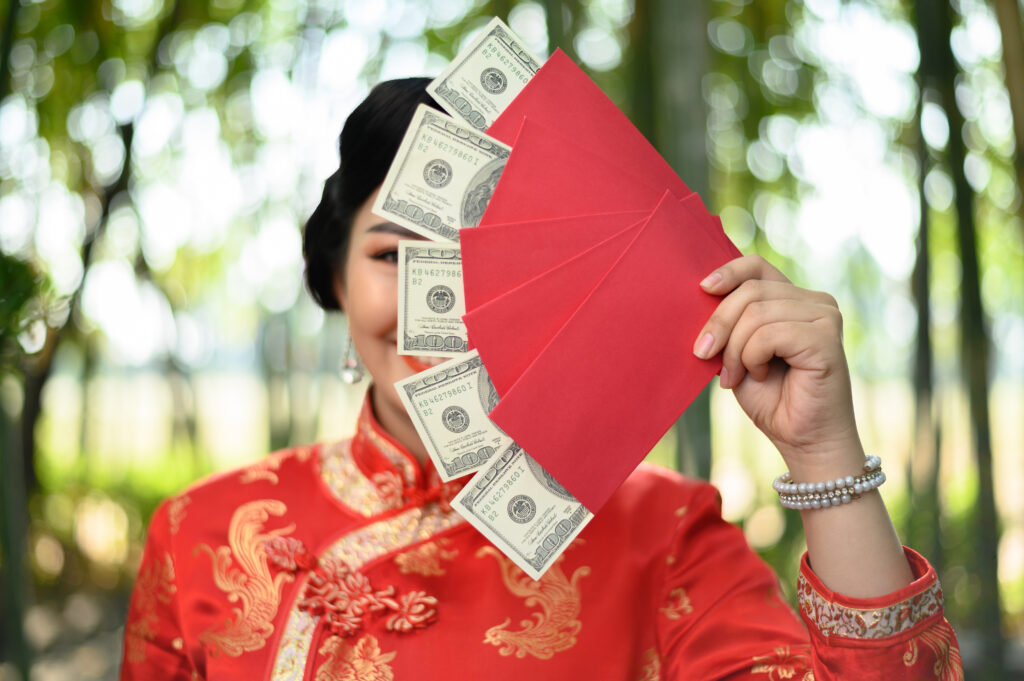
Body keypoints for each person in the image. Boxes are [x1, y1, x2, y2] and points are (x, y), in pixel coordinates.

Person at [120, 78, 963, 681]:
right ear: (332, 278)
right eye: (391, 254)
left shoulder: (664, 532)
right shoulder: (199, 533)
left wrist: (822, 451)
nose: (437, 304)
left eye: (478, 253)